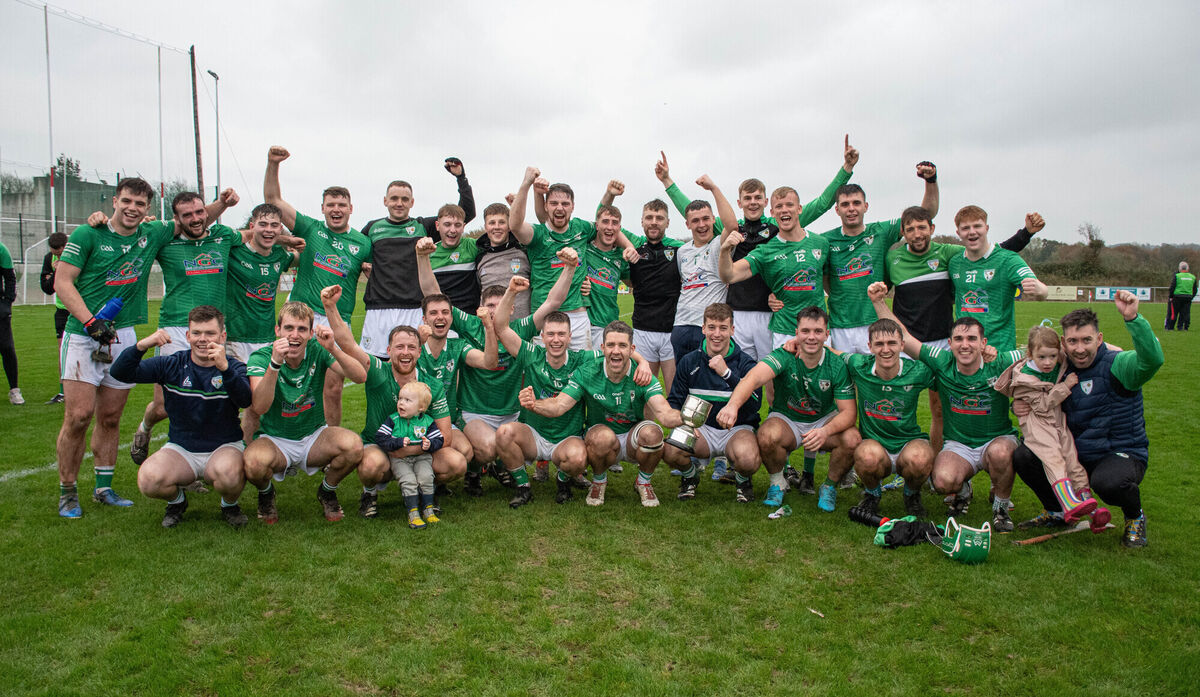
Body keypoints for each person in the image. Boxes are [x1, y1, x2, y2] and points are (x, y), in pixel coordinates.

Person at [658, 141, 855, 363]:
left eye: (757, 198)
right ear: (739, 202)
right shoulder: (731, 227)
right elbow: (696, 213)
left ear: (765, 201)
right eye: (748, 198)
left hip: (770, 312)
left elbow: (821, 204)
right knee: (741, 372)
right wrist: (668, 182)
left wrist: (845, 170)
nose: (752, 203)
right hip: (737, 312)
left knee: (771, 374)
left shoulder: (778, 224)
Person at [53, 178, 178, 517]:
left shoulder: (150, 233)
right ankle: (67, 491)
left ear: (148, 209)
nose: (132, 208)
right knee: (78, 416)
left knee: (110, 417)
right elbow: (62, 281)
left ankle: (103, 488)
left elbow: (194, 219)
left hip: (122, 335)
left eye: (139, 204)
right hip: (83, 334)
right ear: (114, 201)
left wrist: (223, 205)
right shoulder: (87, 234)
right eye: (127, 201)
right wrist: (91, 322)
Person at [418, 240, 580, 495]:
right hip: (476, 412)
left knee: (505, 443)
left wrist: (569, 268)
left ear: (511, 308)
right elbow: (433, 295)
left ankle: (497, 467)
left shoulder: (519, 330)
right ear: (480, 307)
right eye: (489, 306)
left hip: (513, 413)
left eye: (500, 305)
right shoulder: (470, 325)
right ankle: (475, 471)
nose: (494, 311)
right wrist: (423, 257)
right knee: (489, 447)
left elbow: (552, 303)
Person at [883, 206, 1042, 451]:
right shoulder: (905, 259)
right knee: (908, 407)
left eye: (922, 227)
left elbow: (996, 253)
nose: (916, 233)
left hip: (976, 348)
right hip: (933, 345)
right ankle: (919, 467)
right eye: (910, 229)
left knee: (972, 411)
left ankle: (993, 466)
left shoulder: (952, 254)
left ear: (932, 229)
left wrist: (1026, 235)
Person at [1012, 292, 1163, 548]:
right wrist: (1019, 401)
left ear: (1099, 339)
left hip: (1121, 453)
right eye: (1072, 341)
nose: (1079, 349)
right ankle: (1057, 511)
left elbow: (1151, 360)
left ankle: (1134, 517)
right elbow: (1027, 363)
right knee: (1024, 456)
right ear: (1063, 342)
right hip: (1077, 455)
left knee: (1107, 483)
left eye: (1086, 340)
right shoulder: (1058, 367)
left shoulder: (1119, 364)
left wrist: (1133, 318)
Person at [869, 282, 1023, 531]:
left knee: (1001, 454)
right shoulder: (941, 361)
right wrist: (878, 302)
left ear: (984, 343)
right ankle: (963, 490)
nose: (965, 345)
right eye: (959, 339)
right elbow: (905, 339)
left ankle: (1001, 509)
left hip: (997, 440)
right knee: (940, 481)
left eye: (972, 339)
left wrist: (1106, 352)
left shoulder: (1002, 361)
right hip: (959, 444)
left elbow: (1041, 355)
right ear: (949, 343)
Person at [320, 284, 472, 519]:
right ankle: (369, 493)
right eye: (399, 347)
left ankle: (425, 489)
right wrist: (330, 307)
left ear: (420, 352)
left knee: (456, 463)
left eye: (412, 347)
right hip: (380, 445)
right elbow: (348, 343)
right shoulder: (378, 370)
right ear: (389, 350)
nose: (405, 352)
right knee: (371, 466)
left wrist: (409, 450)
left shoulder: (432, 385)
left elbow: (445, 435)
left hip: (418, 449)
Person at [128, 189, 247, 465]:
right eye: (186, 215)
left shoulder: (223, 236)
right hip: (175, 330)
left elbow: (251, 235)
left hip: (214, 330)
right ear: (176, 219)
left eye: (198, 212)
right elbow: (129, 232)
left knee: (209, 398)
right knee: (164, 406)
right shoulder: (165, 241)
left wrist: (289, 240)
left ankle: (192, 457)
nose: (194, 219)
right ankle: (145, 428)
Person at [110, 306, 252, 528]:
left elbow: (245, 400)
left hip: (224, 447)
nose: (202, 339)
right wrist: (142, 345)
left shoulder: (234, 367)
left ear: (222, 336)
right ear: (188, 336)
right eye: (196, 333)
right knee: (149, 479)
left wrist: (224, 369)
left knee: (230, 476)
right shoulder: (173, 364)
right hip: (182, 449)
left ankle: (229, 505)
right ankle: (177, 502)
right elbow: (120, 373)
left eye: (210, 333)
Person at [263, 145, 372, 427]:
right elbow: (273, 199)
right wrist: (273, 163)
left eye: (341, 205)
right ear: (323, 208)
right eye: (331, 205)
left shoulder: (363, 243)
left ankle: (330, 445)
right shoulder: (311, 228)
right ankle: (281, 437)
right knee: (283, 378)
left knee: (333, 387)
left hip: (337, 320)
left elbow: (375, 274)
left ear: (351, 209)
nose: (336, 210)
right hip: (300, 316)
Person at [523, 321, 683, 507]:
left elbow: (664, 414)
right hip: (601, 436)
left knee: (653, 433)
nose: (616, 351)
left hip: (633, 436)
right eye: (611, 345)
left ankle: (644, 482)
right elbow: (560, 405)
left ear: (632, 349)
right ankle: (599, 481)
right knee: (602, 437)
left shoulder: (643, 375)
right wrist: (534, 404)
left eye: (622, 345)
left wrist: (687, 418)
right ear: (602, 348)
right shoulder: (587, 372)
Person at [721, 306, 859, 509]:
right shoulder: (784, 355)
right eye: (805, 331)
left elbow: (849, 413)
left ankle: (829, 487)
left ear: (827, 335)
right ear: (796, 333)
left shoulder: (837, 364)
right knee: (767, 435)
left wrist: (825, 431)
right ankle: (778, 482)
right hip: (788, 419)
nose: (811, 337)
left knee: (852, 439)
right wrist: (732, 406)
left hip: (823, 419)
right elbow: (753, 378)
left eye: (818, 332)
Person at [242, 301, 368, 523]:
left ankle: (327, 490)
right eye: (289, 328)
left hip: (313, 437)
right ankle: (266, 493)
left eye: (302, 329)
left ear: (311, 333)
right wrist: (274, 364)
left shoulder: (318, 351)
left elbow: (360, 376)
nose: (295, 335)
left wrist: (333, 348)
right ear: (277, 331)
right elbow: (259, 406)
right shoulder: (261, 357)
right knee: (253, 464)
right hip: (275, 439)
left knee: (354, 447)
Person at [992, 326, 1108, 529]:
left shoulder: (1060, 361)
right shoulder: (1023, 378)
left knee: (1072, 460)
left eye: (1052, 356)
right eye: (1042, 357)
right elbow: (1043, 405)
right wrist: (1065, 386)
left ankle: (1090, 507)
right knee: (1054, 460)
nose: (1048, 363)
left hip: (1057, 421)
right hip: (1037, 425)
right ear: (1030, 354)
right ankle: (1069, 503)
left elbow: (1078, 351)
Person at [508, 167, 636, 350]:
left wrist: (629, 246)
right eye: (553, 203)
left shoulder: (581, 228)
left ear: (573, 206)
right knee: (544, 373)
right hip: (545, 314)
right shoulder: (538, 234)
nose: (560, 208)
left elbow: (607, 226)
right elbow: (515, 225)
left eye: (565, 204)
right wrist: (527, 183)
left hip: (578, 317)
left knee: (582, 373)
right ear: (546, 206)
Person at [820, 161, 939, 354]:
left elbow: (925, 215)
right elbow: (825, 279)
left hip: (876, 322)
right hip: (840, 325)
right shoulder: (826, 240)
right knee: (844, 381)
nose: (851, 209)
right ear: (837, 210)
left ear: (866, 206)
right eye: (845, 204)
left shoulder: (882, 231)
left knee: (879, 380)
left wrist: (930, 181)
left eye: (856, 203)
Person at [358, 159, 475, 356]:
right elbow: (356, 257)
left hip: (414, 308)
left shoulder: (422, 226)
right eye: (394, 198)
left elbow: (466, 214)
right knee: (375, 369)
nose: (399, 203)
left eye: (405, 199)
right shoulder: (372, 228)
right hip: (378, 309)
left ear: (412, 202)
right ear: (385, 201)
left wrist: (461, 178)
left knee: (413, 367)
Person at [665, 303, 761, 503]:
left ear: (732, 330)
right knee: (671, 450)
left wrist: (727, 373)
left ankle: (743, 479)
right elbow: (675, 400)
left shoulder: (745, 363)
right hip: (703, 430)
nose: (717, 334)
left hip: (736, 430)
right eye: (711, 327)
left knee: (749, 459)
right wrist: (683, 423)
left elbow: (755, 404)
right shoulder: (689, 361)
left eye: (723, 328)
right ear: (703, 329)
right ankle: (691, 476)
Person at [497, 307, 592, 507]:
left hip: (567, 437)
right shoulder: (532, 354)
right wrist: (512, 292)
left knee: (578, 459)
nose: (555, 340)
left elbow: (613, 353)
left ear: (570, 337)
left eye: (561, 334)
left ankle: (563, 481)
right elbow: (501, 327)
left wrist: (642, 363)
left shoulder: (582, 360)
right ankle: (523, 487)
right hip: (534, 435)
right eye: (550, 334)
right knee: (504, 433)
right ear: (542, 336)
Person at [842, 318, 936, 518]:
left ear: (902, 345)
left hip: (908, 442)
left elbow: (949, 372)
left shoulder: (918, 370)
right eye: (879, 344)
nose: (886, 349)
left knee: (920, 459)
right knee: (867, 457)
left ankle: (912, 495)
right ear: (869, 347)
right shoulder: (859, 365)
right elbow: (830, 354)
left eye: (892, 343)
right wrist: (796, 343)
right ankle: (872, 494)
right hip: (874, 444)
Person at [717, 186, 830, 352]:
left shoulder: (821, 243)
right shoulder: (766, 251)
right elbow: (729, 275)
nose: (784, 210)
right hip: (783, 331)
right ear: (772, 212)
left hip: (818, 331)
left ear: (799, 209)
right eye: (779, 207)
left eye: (789, 205)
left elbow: (828, 282)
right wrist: (724, 251)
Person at [948, 205, 1048, 352]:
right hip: (965, 351)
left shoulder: (1008, 260)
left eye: (977, 226)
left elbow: (1042, 292)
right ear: (958, 232)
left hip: (999, 351)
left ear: (986, 228)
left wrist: (1039, 290)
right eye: (965, 228)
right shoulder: (954, 263)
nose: (972, 232)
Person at [618, 198, 684, 395]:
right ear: (642, 221)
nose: (654, 222)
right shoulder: (635, 248)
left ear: (667, 222)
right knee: (646, 392)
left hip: (672, 331)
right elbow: (605, 220)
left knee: (674, 392)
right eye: (649, 217)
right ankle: (646, 427)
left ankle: (675, 427)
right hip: (642, 331)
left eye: (659, 218)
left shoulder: (679, 248)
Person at [225, 203, 300, 364]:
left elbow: (304, 259)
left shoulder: (280, 255)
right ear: (252, 226)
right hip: (235, 340)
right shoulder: (233, 252)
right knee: (239, 388)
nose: (269, 229)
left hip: (268, 340)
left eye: (274, 225)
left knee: (265, 389)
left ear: (280, 228)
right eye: (263, 224)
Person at [375, 381, 445, 529]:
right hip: (400, 459)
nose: (401, 403)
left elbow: (439, 439)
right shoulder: (393, 420)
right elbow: (380, 437)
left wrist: (430, 444)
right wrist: (398, 442)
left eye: (407, 400)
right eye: (400, 399)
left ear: (421, 408)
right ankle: (413, 514)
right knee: (409, 481)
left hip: (422, 458)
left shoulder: (428, 422)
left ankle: (428, 510)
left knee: (426, 478)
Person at [581, 204, 630, 348]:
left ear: (619, 229)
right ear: (596, 225)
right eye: (605, 221)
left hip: (607, 326)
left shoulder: (621, 257)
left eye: (614, 223)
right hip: (582, 324)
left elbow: (633, 284)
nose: (610, 227)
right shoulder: (584, 248)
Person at [475, 202, 532, 319]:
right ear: (486, 227)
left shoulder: (524, 252)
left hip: (521, 327)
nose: (497, 227)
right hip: (490, 329)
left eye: (502, 222)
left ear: (509, 226)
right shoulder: (480, 258)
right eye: (492, 223)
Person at [428, 204, 481, 312]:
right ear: (437, 226)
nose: (452, 230)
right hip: (443, 317)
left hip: (470, 317)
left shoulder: (472, 245)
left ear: (463, 226)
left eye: (457, 225)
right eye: (447, 224)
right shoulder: (429, 253)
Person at [40, 231, 69, 403]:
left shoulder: (79, 255)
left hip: (81, 310)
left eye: (59, 253)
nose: (57, 256)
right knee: (63, 351)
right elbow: (47, 288)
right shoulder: (49, 259)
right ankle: (63, 392)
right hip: (62, 311)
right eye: (54, 253)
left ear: (66, 247)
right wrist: (56, 272)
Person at [0, 239, 18, 405]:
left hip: (0, 309)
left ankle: (14, 390)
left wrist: (7, 303)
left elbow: (10, 279)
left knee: (6, 348)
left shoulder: (1, 249)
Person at [1165, 261, 1196, 331]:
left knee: (1174, 312)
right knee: (1185, 313)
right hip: (1188, 297)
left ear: (1180, 268)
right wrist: (1191, 297)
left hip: (1177, 297)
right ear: (1188, 269)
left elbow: (1172, 287)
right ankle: (1183, 327)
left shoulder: (1177, 276)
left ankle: (1170, 327)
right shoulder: (1193, 277)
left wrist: (1170, 296)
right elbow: (1194, 289)